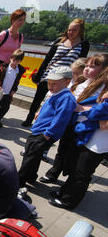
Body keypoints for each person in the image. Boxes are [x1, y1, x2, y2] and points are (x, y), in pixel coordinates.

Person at [40, 55, 108, 184]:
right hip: (70, 122)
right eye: (86, 66)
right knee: (62, 150)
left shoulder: (103, 89)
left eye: (92, 66)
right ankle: (53, 173)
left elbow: (99, 110)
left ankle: (68, 183)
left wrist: (81, 108)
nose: (87, 69)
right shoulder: (81, 81)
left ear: (103, 69)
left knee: (73, 155)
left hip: (82, 125)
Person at [17, 66, 76, 199]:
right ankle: (32, 176)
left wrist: (48, 134)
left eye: (54, 83)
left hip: (44, 133)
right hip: (38, 129)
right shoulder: (57, 93)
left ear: (67, 82)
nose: (50, 86)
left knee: (30, 156)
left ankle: (18, 180)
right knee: (34, 155)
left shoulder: (66, 98)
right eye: (49, 83)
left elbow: (61, 119)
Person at [49, 86, 108, 210]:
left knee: (82, 173)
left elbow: (104, 125)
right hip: (89, 139)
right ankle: (64, 193)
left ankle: (69, 201)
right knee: (76, 169)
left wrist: (90, 114)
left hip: (99, 145)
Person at [22, 19, 90, 127]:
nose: (70, 32)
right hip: (49, 75)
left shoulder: (83, 44)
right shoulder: (60, 41)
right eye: (69, 29)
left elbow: (81, 63)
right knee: (37, 99)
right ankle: (29, 119)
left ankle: (48, 123)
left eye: (74, 30)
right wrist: (39, 75)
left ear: (80, 31)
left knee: (57, 101)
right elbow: (48, 59)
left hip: (65, 79)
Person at [0, 49, 26, 127]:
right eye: (14, 60)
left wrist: (14, 90)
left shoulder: (20, 70)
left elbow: (17, 82)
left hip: (8, 92)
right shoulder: (4, 66)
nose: (15, 63)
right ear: (11, 58)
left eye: (18, 61)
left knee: (5, 108)